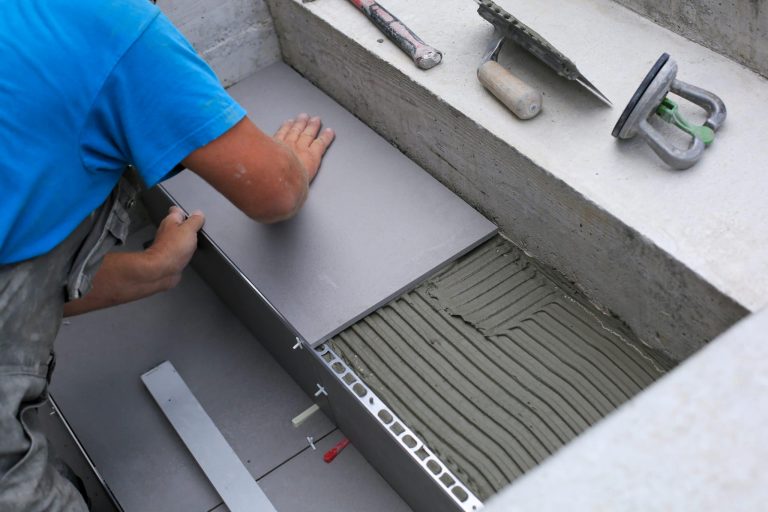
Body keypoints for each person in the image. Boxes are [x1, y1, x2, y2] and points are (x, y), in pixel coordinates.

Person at [0, 0, 335, 509]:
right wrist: (289, 165)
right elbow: (275, 193)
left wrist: (154, 269)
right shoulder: (111, 24)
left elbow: (19, 284)